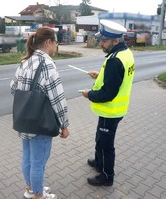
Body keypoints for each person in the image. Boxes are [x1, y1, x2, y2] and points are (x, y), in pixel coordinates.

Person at [10, 27, 70, 199]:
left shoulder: (25, 61)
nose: (56, 46)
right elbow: (57, 98)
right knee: (38, 161)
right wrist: (64, 125)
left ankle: (30, 189)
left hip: (24, 119)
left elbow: (13, 88)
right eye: (56, 42)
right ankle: (38, 195)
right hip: (41, 122)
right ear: (49, 42)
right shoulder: (48, 64)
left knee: (28, 158)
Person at [80, 19, 135, 186]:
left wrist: (89, 94)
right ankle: (99, 162)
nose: (100, 43)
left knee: (106, 145)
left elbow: (107, 94)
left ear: (116, 41)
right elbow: (118, 78)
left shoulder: (115, 60)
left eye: (104, 41)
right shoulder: (125, 53)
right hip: (113, 110)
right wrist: (100, 75)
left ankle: (106, 176)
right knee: (100, 138)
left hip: (110, 110)